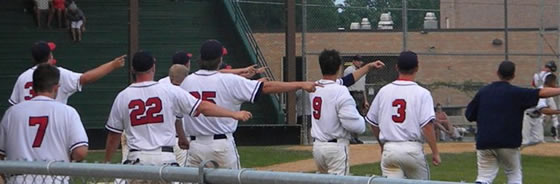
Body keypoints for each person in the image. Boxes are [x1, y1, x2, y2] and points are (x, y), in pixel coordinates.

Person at [181, 39, 318, 169]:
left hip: (195, 145)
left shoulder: (187, 81)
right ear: (220, 59)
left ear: (201, 58)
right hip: (220, 146)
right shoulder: (230, 80)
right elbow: (265, 87)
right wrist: (300, 84)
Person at [104, 51, 253, 166]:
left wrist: (107, 163)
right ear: (153, 67)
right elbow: (203, 107)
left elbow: (113, 135)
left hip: (136, 159)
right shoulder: (169, 91)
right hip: (164, 159)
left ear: (132, 69)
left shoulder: (122, 96)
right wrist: (233, 114)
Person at [465, 60, 560, 184]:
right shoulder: (517, 93)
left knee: (484, 177)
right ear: (513, 75)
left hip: (484, 141)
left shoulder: (483, 92)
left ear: (497, 73)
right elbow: (541, 93)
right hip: (508, 142)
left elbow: (469, 115)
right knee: (513, 175)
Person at [0, 64, 89, 183]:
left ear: (33, 87)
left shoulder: (11, 113)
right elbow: (80, 152)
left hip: (19, 179)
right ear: (56, 87)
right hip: (54, 178)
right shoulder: (68, 112)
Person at [366, 51, 440, 180]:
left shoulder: (384, 91)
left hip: (390, 149)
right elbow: (427, 126)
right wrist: (435, 152)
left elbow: (373, 122)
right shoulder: (423, 93)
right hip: (412, 149)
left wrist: (382, 145)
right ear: (417, 68)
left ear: (396, 67)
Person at [309, 49, 371, 175]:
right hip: (335, 147)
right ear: (339, 67)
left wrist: (368, 67)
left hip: (318, 147)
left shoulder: (315, 87)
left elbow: (348, 79)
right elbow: (354, 125)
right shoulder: (340, 90)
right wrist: (361, 122)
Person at [9, 41, 126, 105]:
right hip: (51, 127)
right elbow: (86, 78)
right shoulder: (58, 73)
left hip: (27, 131)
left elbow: (14, 106)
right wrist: (112, 65)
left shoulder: (22, 78)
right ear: (50, 56)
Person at [522, 74, 560, 147]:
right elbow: (543, 110)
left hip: (536, 117)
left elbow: (551, 109)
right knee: (524, 141)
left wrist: (555, 119)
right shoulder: (541, 91)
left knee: (538, 139)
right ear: (551, 82)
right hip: (527, 116)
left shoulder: (548, 93)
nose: (556, 85)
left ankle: (524, 149)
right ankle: (516, 150)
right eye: (555, 82)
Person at [343, 55, 368, 144]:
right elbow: (346, 83)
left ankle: (356, 137)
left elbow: (363, 87)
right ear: (353, 61)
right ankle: (350, 137)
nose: (359, 62)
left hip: (360, 93)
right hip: (352, 93)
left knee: (360, 116)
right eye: (357, 61)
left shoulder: (362, 71)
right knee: (352, 115)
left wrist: (365, 100)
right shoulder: (349, 70)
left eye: (360, 61)